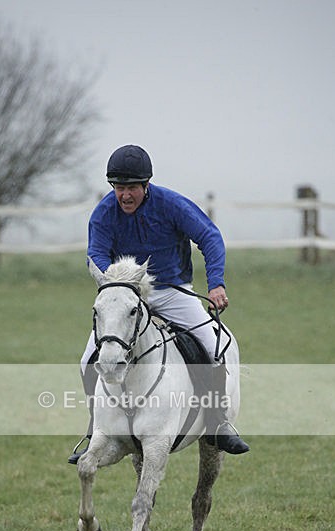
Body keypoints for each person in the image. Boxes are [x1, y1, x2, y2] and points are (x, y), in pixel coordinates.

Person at [68, 144, 249, 463]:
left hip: (172, 291)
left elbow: (209, 236)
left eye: (132, 188)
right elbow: (95, 253)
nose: (125, 195)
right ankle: (96, 427)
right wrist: (115, 281)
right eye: (119, 187)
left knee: (212, 347)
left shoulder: (171, 205)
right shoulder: (104, 213)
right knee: (87, 360)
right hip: (128, 293)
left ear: (146, 185)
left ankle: (218, 422)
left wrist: (216, 283)